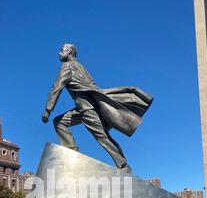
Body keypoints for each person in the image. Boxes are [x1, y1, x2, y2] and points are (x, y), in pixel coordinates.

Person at [42, 43, 153, 173]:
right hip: (85, 108)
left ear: (70, 53)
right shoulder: (80, 66)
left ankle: (123, 165)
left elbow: (56, 88)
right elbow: (92, 85)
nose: (59, 53)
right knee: (60, 122)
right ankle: (73, 152)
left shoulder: (67, 67)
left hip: (86, 109)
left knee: (102, 136)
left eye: (62, 50)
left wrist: (47, 110)